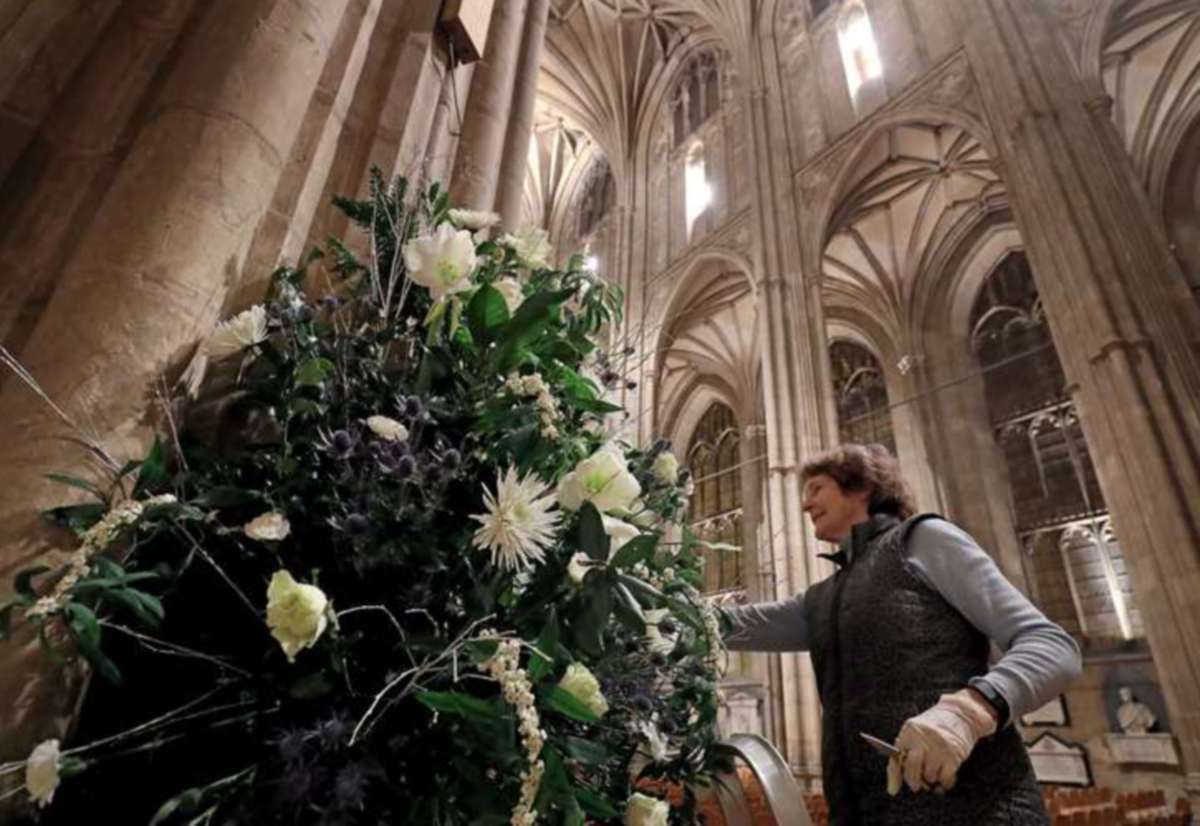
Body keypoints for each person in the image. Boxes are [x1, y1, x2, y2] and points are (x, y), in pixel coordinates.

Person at [722, 444, 1081, 825]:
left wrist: (969, 712)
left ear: (861, 488)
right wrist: (662, 610)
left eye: (816, 488)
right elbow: (732, 624)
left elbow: (1052, 646)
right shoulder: (825, 597)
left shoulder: (922, 540)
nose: (805, 505)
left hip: (977, 811)